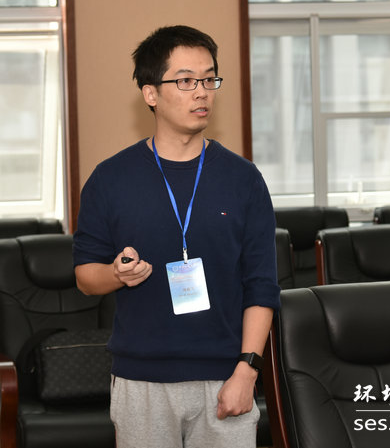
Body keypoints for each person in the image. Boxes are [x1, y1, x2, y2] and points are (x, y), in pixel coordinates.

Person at [72, 25, 280, 448]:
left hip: (226, 378)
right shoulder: (110, 179)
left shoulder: (243, 179)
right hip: (141, 381)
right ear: (151, 93)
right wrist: (116, 274)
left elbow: (262, 286)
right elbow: (86, 278)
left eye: (209, 79)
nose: (201, 92)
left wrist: (247, 371)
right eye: (186, 81)